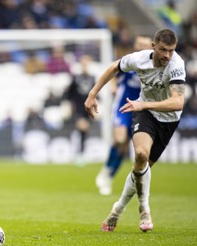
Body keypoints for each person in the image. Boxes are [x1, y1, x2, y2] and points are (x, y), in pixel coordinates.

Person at [84, 28, 186, 232]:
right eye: (163, 50)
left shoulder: (177, 65)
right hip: (144, 112)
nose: (167, 55)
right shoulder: (139, 59)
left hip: (166, 119)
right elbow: (114, 67)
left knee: (141, 170)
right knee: (140, 155)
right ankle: (144, 208)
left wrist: (145, 105)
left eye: (171, 50)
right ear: (153, 46)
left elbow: (178, 102)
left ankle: (118, 208)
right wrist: (92, 94)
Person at [95, 35, 153, 195]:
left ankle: (108, 176)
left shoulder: (153, 66)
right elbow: (114, 74)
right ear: (135, 45)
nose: (141, 47)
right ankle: (106, 170)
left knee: (124, 148)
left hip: (140, 109)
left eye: (145, 44)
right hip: (122, 105)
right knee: (119, 140)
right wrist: (113, 87)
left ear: (151, 47)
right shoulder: (129, 61)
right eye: (139, 44)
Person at [65, 55, 95, 164]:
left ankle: (80, 154)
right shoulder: (75, 78)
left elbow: (95, 94)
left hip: (87, 110)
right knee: (81, 128)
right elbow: (69, 94)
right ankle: (78, 154)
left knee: (84, 131)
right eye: (83, 64)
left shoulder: (92, 78)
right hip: (77, 108)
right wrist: (70, 107)